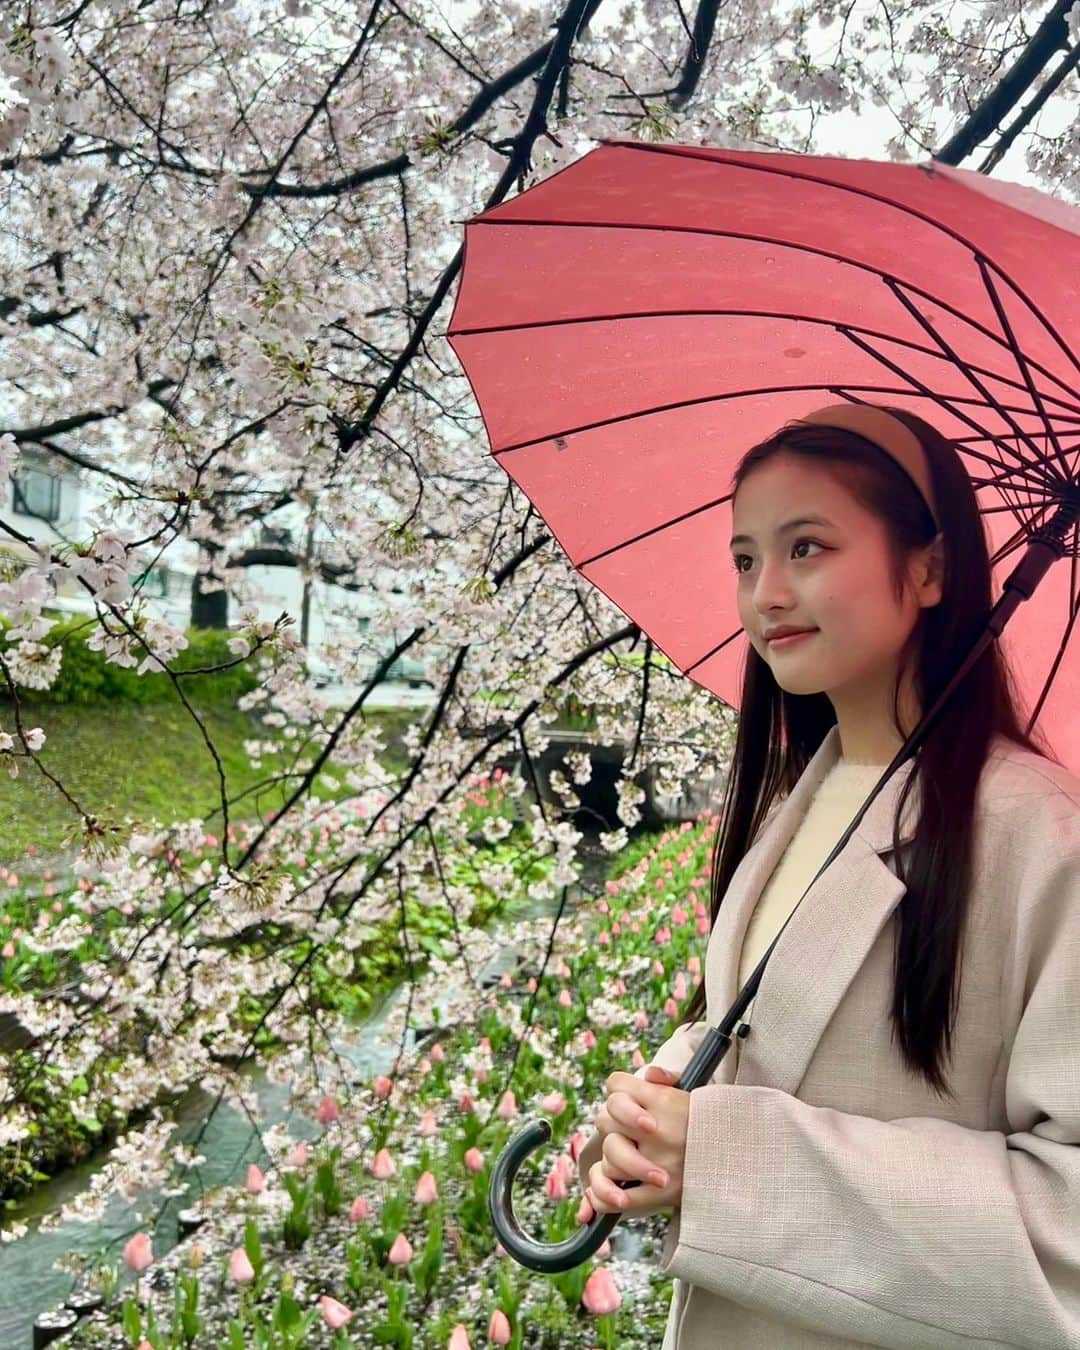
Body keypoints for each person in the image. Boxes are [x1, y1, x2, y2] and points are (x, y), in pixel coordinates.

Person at [575, 403, 1080, 1349]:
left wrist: (727, 1163)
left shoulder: (1042, 843)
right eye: (744, 558)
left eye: (807, 547)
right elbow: (793, 1041)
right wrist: (667, 1102)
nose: (765, 593)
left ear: (928, 569)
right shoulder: (803, 800)